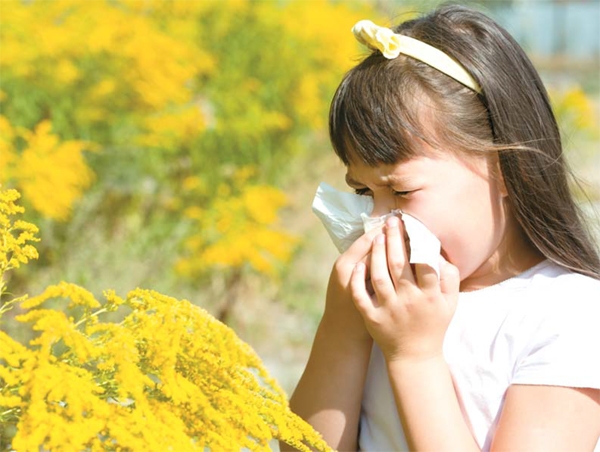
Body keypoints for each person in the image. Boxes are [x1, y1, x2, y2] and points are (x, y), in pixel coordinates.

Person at [281, 4, 600, 452]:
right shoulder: (382, 303)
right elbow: (301, 447)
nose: (377, 222)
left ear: (506, 169)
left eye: (402, 192)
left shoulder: (570, 314)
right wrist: (342, 326)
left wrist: (414, 356)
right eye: (363, 193)